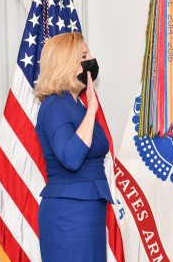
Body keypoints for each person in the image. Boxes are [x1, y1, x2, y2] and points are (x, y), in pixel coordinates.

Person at [34, 32, 112, 261]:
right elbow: (71, 157)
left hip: (90, 210)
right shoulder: (54, 105)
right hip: (69, 215)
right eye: (84, 55)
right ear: (66, 63)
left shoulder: (76, 105)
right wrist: (91, 112)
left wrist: (89, 110)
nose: (92, 59)